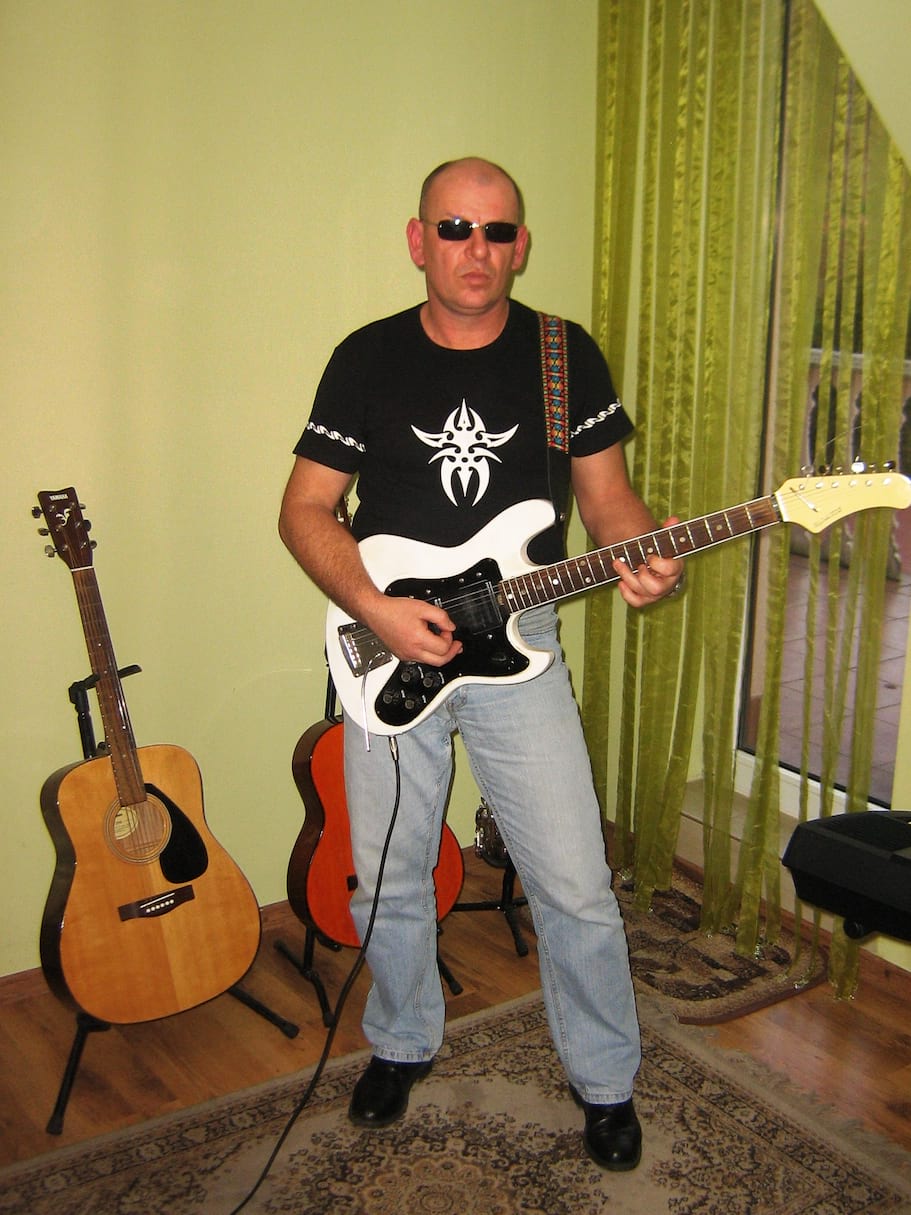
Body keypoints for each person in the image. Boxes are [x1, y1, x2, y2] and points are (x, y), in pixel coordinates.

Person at [278, 156, 683, 1171]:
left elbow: (608, 501)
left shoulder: (563, 353)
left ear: (520, 245)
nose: (476, 249)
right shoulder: (366, 357)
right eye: (454, 228)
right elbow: (304, 510)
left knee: (576, 883)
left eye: (496, 231)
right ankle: (401, 1041)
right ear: (418, 241)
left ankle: (603, 1080)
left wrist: (640, 552)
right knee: (388, 876)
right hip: (388, 639)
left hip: (520, 641)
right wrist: (375, 609)